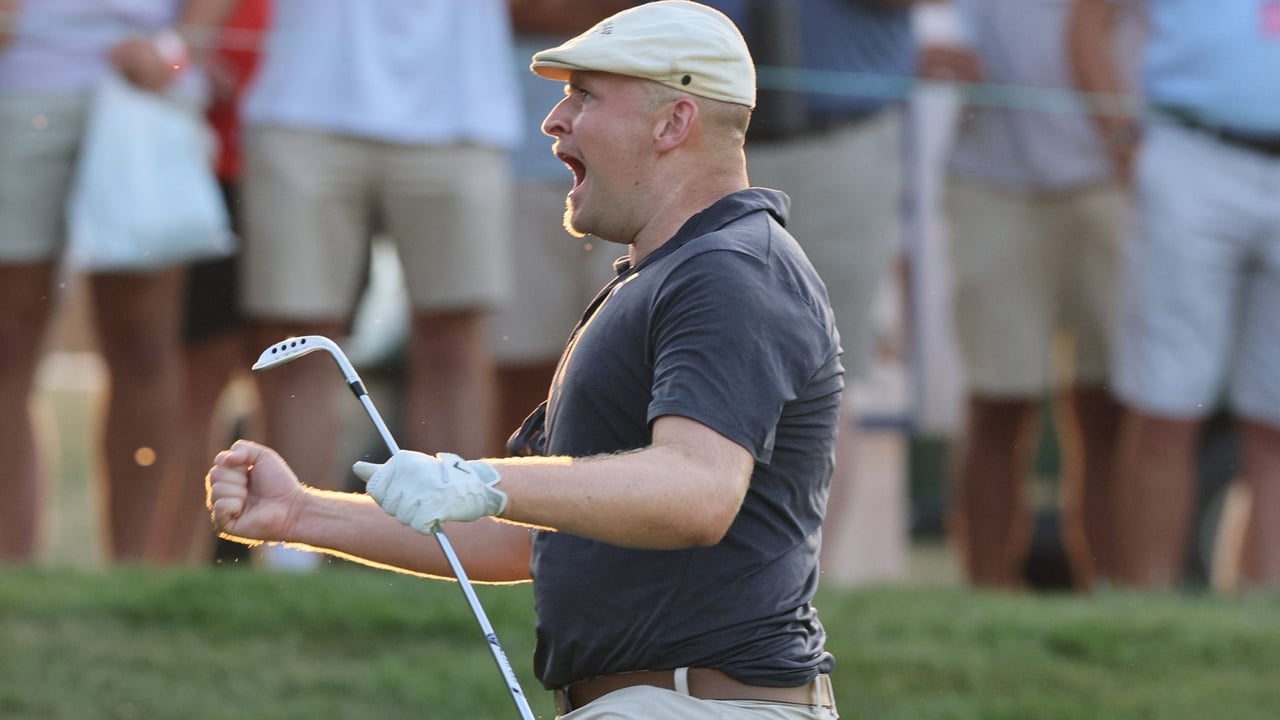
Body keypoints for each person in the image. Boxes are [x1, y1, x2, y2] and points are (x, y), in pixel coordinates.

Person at [209, 2, 844, 717]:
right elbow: (529, 541)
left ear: (673, 123)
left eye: (585, 95)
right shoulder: (669, 276)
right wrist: (299, 512)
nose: (554, 120)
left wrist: (479, 478)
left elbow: (696, 491)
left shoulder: (730, 271)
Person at [235, 1, 521, 566]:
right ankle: (290, 556)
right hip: (302, 104)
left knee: (453, 337)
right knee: (299, 340)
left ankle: (451, 551)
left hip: (459, 112)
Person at [694, 0, 920, 585]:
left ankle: (797, 588)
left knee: (825, 372)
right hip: (692, 135)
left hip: (837, 141)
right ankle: (694, 585)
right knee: (689, 361)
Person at [0, 0, 234, 562]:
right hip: (19, 86)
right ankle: (9, 569)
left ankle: (134, 572)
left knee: (144, 346)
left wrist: (175, 48)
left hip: (145, 91)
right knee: (6, 345)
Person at [926, 0, 1138, 590]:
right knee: (998, 398)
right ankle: (988, 595)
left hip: (1112, 175)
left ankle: (1114, 599)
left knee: (1109, 406)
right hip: (992, 179)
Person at [1069, 0, 1280, 589]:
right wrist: (1122, 139)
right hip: (1193, 153)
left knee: (1276, 419)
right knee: (1166, 405)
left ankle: (1265, 611)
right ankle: (1151, 604)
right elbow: (1088, 22)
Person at [149, 0, 269, 565]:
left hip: (285, 160)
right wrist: (187, 61)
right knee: (197, 377)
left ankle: (284, 564)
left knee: (288, 371)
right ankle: (174, 562)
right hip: (207, 170)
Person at [491, 0, 632, 450]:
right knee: (521, 364)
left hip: (639, 163)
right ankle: (519, 490)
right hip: (513, 161)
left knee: (627, 362)